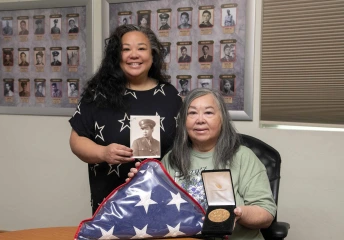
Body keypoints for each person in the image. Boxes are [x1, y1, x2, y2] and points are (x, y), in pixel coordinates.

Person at [128, 88, 277, 240]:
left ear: (222, 118)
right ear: (183, 120)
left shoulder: (243, 157)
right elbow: (156, 210)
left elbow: (266, 214)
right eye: (192, 113)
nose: (200, 120)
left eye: (208, 112)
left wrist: (239, 213)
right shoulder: (172, 158)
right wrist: (141, 185)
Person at [69, 24, 182, 214]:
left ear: (152, 55)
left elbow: (186, 147)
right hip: (111, 201)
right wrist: (103, 153)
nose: (134, 55)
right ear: (116, 56)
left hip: (162, 199)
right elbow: (76, 141)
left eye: (141, 48)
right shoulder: (98, 94)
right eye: (126, 49)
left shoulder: (171, 96)